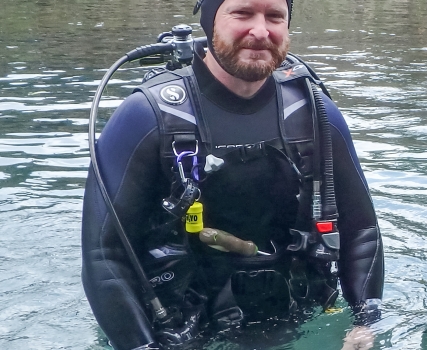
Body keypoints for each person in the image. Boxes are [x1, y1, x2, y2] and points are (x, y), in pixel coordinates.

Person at [81, 0, 384, 348]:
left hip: (293, 316)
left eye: (274, 16)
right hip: (177, 328)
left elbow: (361, 229)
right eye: (242, 13)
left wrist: (366, 323)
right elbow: (104, 255)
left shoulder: (314, 113)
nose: (260, 30)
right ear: (210, 22)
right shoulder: (147, 117)